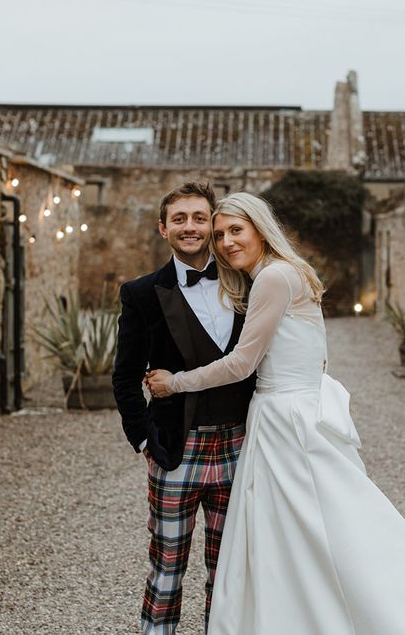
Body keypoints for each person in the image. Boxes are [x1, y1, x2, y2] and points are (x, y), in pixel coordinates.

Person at [146, 192, 405, 634]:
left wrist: (174, 381)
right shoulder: (281, 274)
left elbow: (241, 364)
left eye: (236, 229)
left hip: (284, 418)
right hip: (291, 410)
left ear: (259, 227)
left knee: (310, 528)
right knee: (302, 532)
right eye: (219, 235)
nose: (227, 242)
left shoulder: (272, 278)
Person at [112, 182, 256, 635]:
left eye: (199, 218)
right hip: (175, 449)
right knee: (167, 567)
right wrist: (142, 440)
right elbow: (124, 376)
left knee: (228, 568)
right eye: (180, 219)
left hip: (240, 446)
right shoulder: (140, 293)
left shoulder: (249, 282)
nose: (190, 227)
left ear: (212, 225)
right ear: (163, 228)